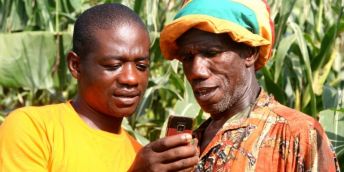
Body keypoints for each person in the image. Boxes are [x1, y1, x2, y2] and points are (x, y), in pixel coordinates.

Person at [0, 3, 198, 172]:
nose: (131, 78)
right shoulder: (33, 129)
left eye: (141, 66)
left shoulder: (141, 155)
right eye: (113, 66)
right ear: (75, 65)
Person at [160, 0, 340, 171]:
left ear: (250, 52)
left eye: (211, 53)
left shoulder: (299, 135)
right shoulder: (188, 145)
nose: (196, 71)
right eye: (187, 58)